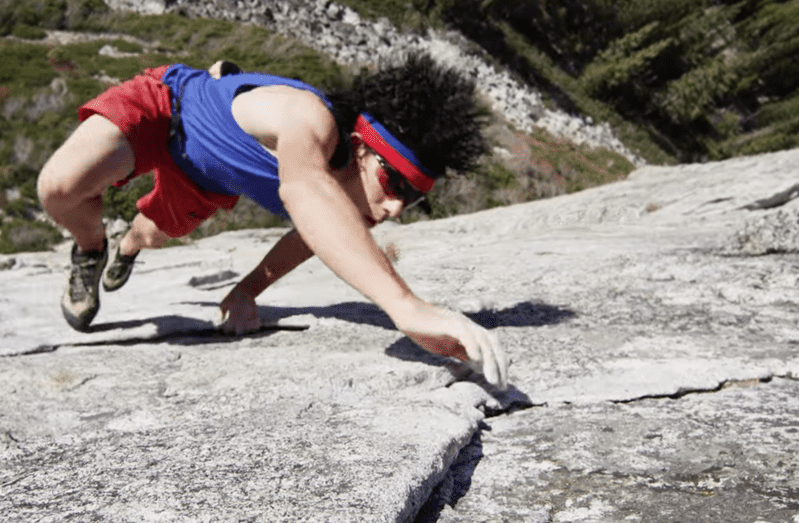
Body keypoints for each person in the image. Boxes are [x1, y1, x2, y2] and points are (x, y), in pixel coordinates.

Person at [36, 55, 509, 389]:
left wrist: (247, 291)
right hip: (166, 108)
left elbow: (312, 235)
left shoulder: (348, 197)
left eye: (413, 199)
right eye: (395, 184)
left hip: (203, 180)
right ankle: (91, 249)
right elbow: (305, 192)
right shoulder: (313, 120)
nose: (397, 208)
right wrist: (404, 305)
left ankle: (125, 248)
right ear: (364, 149)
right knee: (60, 187)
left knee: (152, 232)